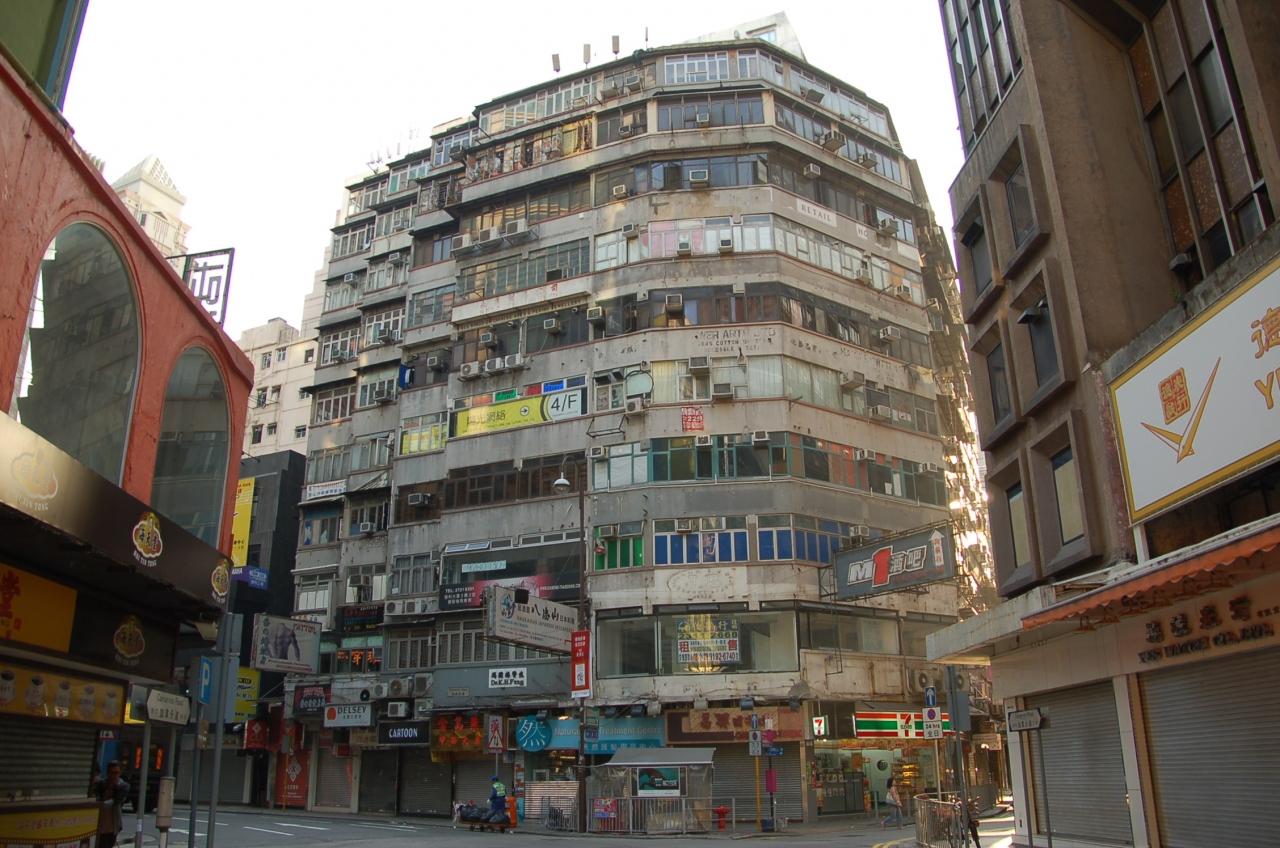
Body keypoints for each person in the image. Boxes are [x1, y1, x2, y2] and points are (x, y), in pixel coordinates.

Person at [92, 760, 129, 848]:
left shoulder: (123, 786)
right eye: (111, 773)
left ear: (120, 773)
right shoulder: (101, 784)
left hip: (112, 826)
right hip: (98, 825)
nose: (113, 776)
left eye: (116, 773)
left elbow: (117, 801)